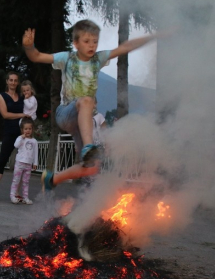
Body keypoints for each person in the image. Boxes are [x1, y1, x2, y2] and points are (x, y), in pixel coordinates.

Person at [22, 19, 166, 191]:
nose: (92, 46)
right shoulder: (66, 58)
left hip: (82, 121)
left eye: (95, 42)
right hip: (65, 113)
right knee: (87, 100)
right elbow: (37, 56)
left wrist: (153, 36)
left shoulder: (98, 59)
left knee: (92, 167)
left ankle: (53, 179)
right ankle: (89, 147)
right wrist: (29, 47)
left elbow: (125, 47)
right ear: (76, 43)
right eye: (86, 41)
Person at [0, 71, 30, 201]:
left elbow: (30, 108)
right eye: (11, 80)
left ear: (18, 82)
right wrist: (21, 115)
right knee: (2, 160)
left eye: (15, 80)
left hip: (23, 133)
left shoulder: (22, 96)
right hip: (9, 132)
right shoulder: (1, 96)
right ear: (7, 82)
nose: (13, 83)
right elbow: (5, 114)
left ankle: (18, 193)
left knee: (24, 162)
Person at [10, 118, 38, 205]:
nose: (28, 131)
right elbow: (16, 145)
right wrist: (21, 137)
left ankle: (25, 197)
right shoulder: (20, 138)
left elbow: (35, 152)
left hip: (28, 164)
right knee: (16, 180)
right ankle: (12, 196)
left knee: (26, 181)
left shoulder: (34, 141)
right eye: (26, 129)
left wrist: (35, 163)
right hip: (19, 163)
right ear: (22, 130)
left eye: (30, 129)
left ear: (32, 129)